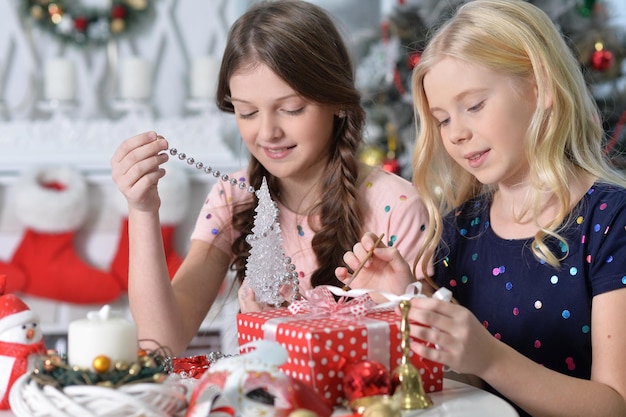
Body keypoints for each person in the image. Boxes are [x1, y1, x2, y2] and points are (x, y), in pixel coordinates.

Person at [337, 1, 626, 416]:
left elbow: (614, 405)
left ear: (539, 87)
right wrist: (406, 297)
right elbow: (471, 386)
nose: (456, 134)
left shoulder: (611, 221)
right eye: (442, 119)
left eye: (473, 106)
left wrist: (490, 357)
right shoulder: (461, 230)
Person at [110, 0, 428, 357]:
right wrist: (142, 210)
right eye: (246, 112)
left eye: (291, 109)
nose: (267, 132)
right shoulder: (234, 198)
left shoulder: (396, 207)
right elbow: (162, 341)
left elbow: (432, 365)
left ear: (337, 101)